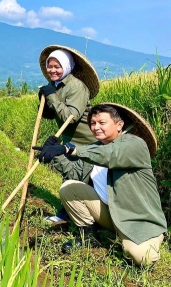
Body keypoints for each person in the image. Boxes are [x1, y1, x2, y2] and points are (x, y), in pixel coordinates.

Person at [33, 103, 167, 265]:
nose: (96, 127)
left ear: (119, 125)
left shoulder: (134, 145)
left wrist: (69, 149)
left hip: (137, 219)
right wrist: (55, 153)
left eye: (102, 123)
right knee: (69, 188)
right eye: (93, 123)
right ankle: (88, 235)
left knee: (141, 257)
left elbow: (111, 155)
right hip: (111, 214)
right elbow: (74, 173)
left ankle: (151, 238)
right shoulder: (94, 148)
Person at [38, 45, 100, 223]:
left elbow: (70, 117)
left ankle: (81, 219)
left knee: (77, 178)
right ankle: (68, 214)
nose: (52, 70)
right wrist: (44, 103)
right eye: (50, 66)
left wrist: (52, 97)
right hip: (69, 140)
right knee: (72, 177)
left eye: (57, 67)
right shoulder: (55, 85)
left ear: (66, 67)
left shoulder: (77, 87)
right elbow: (54, 114)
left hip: (86, 142)